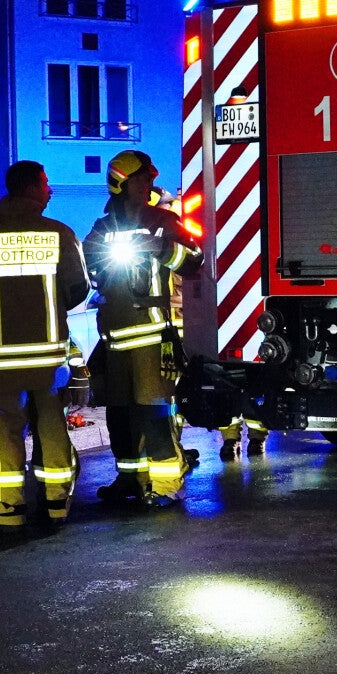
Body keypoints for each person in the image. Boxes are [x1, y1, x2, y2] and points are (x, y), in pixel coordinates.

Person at [0, 161, 89, 533]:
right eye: (45, 184)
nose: (50, 191)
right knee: (52, 426)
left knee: (4, 430)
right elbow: (79, 290)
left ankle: (8, 507)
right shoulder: (59, 233)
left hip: (0, 355)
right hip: (48, 356)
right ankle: (57, 501)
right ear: (30, 188)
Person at [85, 150, 203, 507]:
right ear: (123, 183)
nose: (149, 182)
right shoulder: (102, 228)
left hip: (152, 334)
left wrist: (162, 248)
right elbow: (87, 267)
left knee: (155, 411)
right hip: (115, 335)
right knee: (119, 413)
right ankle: (130, 478)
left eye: (150, 177)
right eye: (142, 178)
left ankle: (167, 485)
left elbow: (194, 261)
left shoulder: (163, 221)